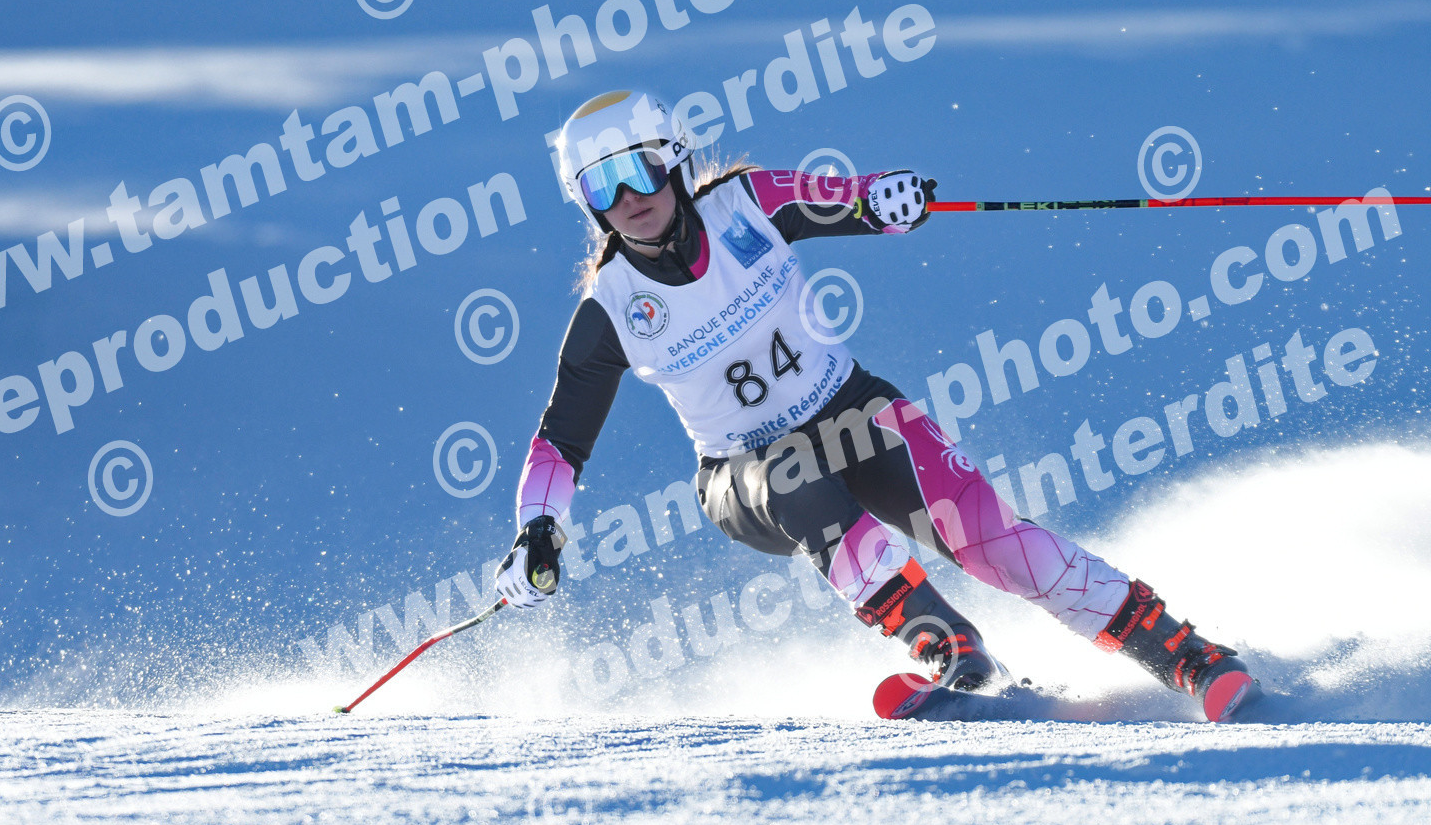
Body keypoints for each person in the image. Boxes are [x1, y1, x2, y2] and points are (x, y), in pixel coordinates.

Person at [493, 90, 1259, 722]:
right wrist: (538, 528)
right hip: (741, 476)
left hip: (852, 412)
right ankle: (947, 645)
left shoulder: (745, 205)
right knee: (792, 473)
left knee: (990, 538)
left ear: (674, 159)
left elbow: (843, 199)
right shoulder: (610, 309)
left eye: (638, 170)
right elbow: (561, 440)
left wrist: (888, 200)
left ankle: (1184, 653)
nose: (628, 199)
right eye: (601, 187)